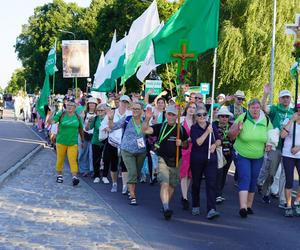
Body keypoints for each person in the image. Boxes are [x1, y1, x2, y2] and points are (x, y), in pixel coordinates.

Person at [142, 105, 189, 220]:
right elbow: (145, 130)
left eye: (174, 115)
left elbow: (186, 144)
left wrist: (181, 144)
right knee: (164, 183)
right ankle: (166, 207)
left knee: (172, 185)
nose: (171, 117)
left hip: (176, 161)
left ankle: (165, 204)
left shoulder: (181, 129)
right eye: (169, 114)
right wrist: (147, 119)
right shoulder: (160, 127)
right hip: (162, 159)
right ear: (166, 114)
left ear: (177, 116)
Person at [230, 99, 273, 218]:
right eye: (253, 108)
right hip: (242, 153)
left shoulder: (266, 120)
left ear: (260, 109)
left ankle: (249, 206)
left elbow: (272, 135)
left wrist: (270, 144)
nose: (255, 110)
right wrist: (238, 129)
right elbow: (230, 135)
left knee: (253, 179)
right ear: (248, 108)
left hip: (258, 155)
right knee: (245, 177)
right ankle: (242, 207)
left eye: (257, 108)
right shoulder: (242, 117)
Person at [258, 86, 294, 207]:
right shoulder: (275, 109)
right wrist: (265, 95)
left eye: (287, 97)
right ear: (279, 99)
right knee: (271, 172)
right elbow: (264, 109)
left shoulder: (293, 112)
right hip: (276, 146)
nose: (285, 100)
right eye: (283, 97)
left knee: (285, 174)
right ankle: (265, 191)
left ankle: (283, 200)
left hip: (288, 148)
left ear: (290, 99)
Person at [108, 102, 147, 205]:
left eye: (137, 109)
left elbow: (149, 131)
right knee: (132, 172)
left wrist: (148, 119)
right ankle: (132, 196)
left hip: (141, 152)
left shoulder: (145, 120)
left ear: (142, 111)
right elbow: (113, 127)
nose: (135, 110)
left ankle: (131, 189)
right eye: (133, 108)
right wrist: (110, 119)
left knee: (136, 174)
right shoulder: (127, 119)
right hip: (127, 150)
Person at [190, 106, 221, 220]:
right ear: (196, 117)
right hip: (197, 158)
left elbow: (218, 139)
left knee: (211, 183)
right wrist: (207, 132)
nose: (202, 116)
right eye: (199, 115)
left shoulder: (212, 125)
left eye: (204, 114)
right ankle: (195, 204)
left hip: (211, 159)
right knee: (196, 183)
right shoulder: (194, 128)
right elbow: (198, 142)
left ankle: (211, 209)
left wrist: (214, 145)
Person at [100, 95, 131, 193]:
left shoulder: (130, 114)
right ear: (119, 102)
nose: (124, 104)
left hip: (125, 143)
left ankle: (125, 186)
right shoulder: (112, 112)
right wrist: (107, 128)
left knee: (125, 165)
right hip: (112, 142)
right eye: (123, 102)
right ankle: (114, 183)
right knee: (113, 164)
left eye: (126, 102)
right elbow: (103, 124)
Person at [52, 100, 84, 186]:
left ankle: (74, 177)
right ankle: (59, 175)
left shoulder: (77, 117)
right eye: (68, 105)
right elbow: (52, 122)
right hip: (61, 141)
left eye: (72, 105)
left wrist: (83, 140)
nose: (69, 107)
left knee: (72, 160)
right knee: (60, 159)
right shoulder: (61, 114)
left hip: (73, 142)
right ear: (66, 106)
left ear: (75, 108)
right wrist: (53, 119)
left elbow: (81, 129)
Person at [280, 104, 300, 217]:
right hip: (288, 154)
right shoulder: (290, 120)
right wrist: (292, 120)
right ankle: (288, 205)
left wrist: (298, 147)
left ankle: (297, 202)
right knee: (289, 180)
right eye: (298, 109)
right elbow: (282, 135)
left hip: (299, 154)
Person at [213, 107, 234, 203]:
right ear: (219, 117)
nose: (224, 118)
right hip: (217, 151)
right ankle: (217, 194)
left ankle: (219, 192)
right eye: (222, 116)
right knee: (218, 173)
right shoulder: (214, 125)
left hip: (229, 152)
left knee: (224, 173)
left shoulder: (232, 126)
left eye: (226, 116)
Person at [86, 103, 108, 184]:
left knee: (106, 159)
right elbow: (87, 128)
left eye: (101, 110)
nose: (99, 112)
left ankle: (105, 176)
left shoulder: (108, 118)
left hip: (106, 141)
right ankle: (96, 176)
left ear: (105, 111)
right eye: (98, 110)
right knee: (96, 159)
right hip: (96, 141)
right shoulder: (95, 118)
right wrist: (88, 122)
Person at [180, 102, 196, 210]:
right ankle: (185, 198)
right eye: (190, 107)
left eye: (194, 108)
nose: (191, 109)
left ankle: (184, 194)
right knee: (184, 173)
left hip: (194, 150)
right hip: (184, 149)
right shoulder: (181, 120)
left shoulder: (197, 121)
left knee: (190, 174)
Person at [78, 97, 98, 176]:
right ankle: (84, 169)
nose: (92, 105)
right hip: (84, 135)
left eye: (93, 103)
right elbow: (80, 124)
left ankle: (92, 170)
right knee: (83, 153)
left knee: (92, 154)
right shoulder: (84, 113)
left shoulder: (97, 113)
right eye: (90, 103)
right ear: (88, 104)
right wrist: (82, 118)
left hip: (94, 136)